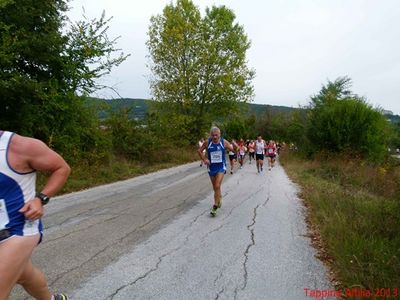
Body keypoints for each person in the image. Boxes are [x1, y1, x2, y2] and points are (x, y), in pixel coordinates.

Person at [0, 130, 71, 300]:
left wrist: (41, 198)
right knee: (25, 275)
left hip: (19, 228)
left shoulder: (20, 146)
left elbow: (61, 168)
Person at [198, 127, 236, 217]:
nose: (215, 137)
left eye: (216, 135)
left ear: (220, 134)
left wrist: (235, 145)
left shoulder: (224, 142)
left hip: (221, 167)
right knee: (215, 187)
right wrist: (204, 159)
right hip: (211, 167)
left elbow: (233, 150)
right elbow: (199, 151)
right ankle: (219, 198)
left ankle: (215, 206)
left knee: (217, 185)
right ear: (211, 135)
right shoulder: (208, 142)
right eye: (213, 135)